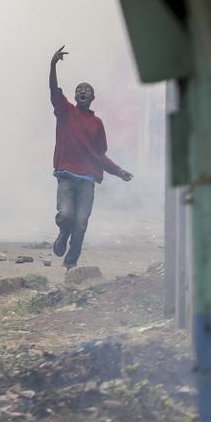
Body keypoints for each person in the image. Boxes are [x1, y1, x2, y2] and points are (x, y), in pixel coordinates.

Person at [48, 46, 133, 268]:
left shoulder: (97, 124)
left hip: (86, 179)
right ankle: (62, 234)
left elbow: (99, 156)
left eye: (87, 89)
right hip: (66, 175)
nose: (82, 91)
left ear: (93, 97)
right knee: (66, 216)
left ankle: (70, 265)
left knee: (81, 223)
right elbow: (53, 90)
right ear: (75, 96)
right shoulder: (65, 112)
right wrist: (53, 65)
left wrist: (118, 171)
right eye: (79, 89)